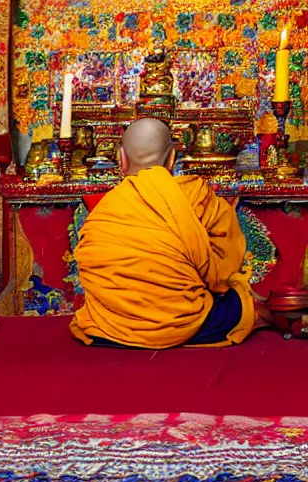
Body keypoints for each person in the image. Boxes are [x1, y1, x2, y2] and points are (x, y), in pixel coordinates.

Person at [70, 118, 270, 349]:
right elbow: (222, 272)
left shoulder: (105, 209)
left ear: (121, 158)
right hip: (184, 321)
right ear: (173, 158)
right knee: (236, 302)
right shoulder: (194, 195)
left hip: (109, 327)